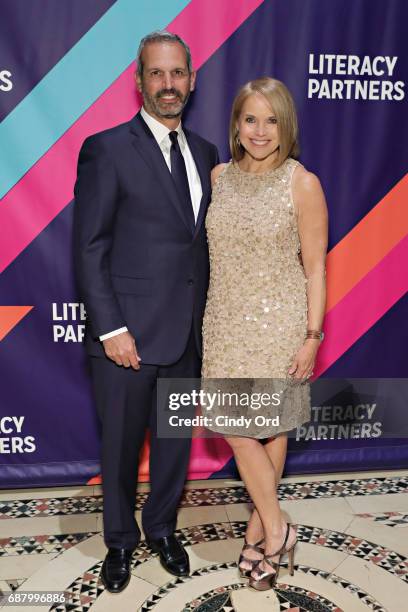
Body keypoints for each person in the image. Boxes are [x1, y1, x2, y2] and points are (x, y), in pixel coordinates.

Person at [73, 31, 219, 593]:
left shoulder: (206, 154)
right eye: (156, 74)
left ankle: (161, 528)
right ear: (139, 82)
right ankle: (118, 542)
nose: (168, 85)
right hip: (126, 339)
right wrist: (111, 327)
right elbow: (90, 246)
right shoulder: (106, 148)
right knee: (120, 449)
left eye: (177, 73)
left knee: (174, 443)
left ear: (192, 80)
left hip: (186, 334)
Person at [201, 77, 328, 590]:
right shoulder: (219, 177)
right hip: (223, 322)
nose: (260, 130)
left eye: (271, 120)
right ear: (236, 123)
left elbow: (316, 268)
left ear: (286, 127)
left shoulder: (302, 183)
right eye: (251, 119)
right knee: (237, 426)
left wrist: (312, 335)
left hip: (279, 324)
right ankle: (276, 527)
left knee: (270, 429)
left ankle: (263, 534)